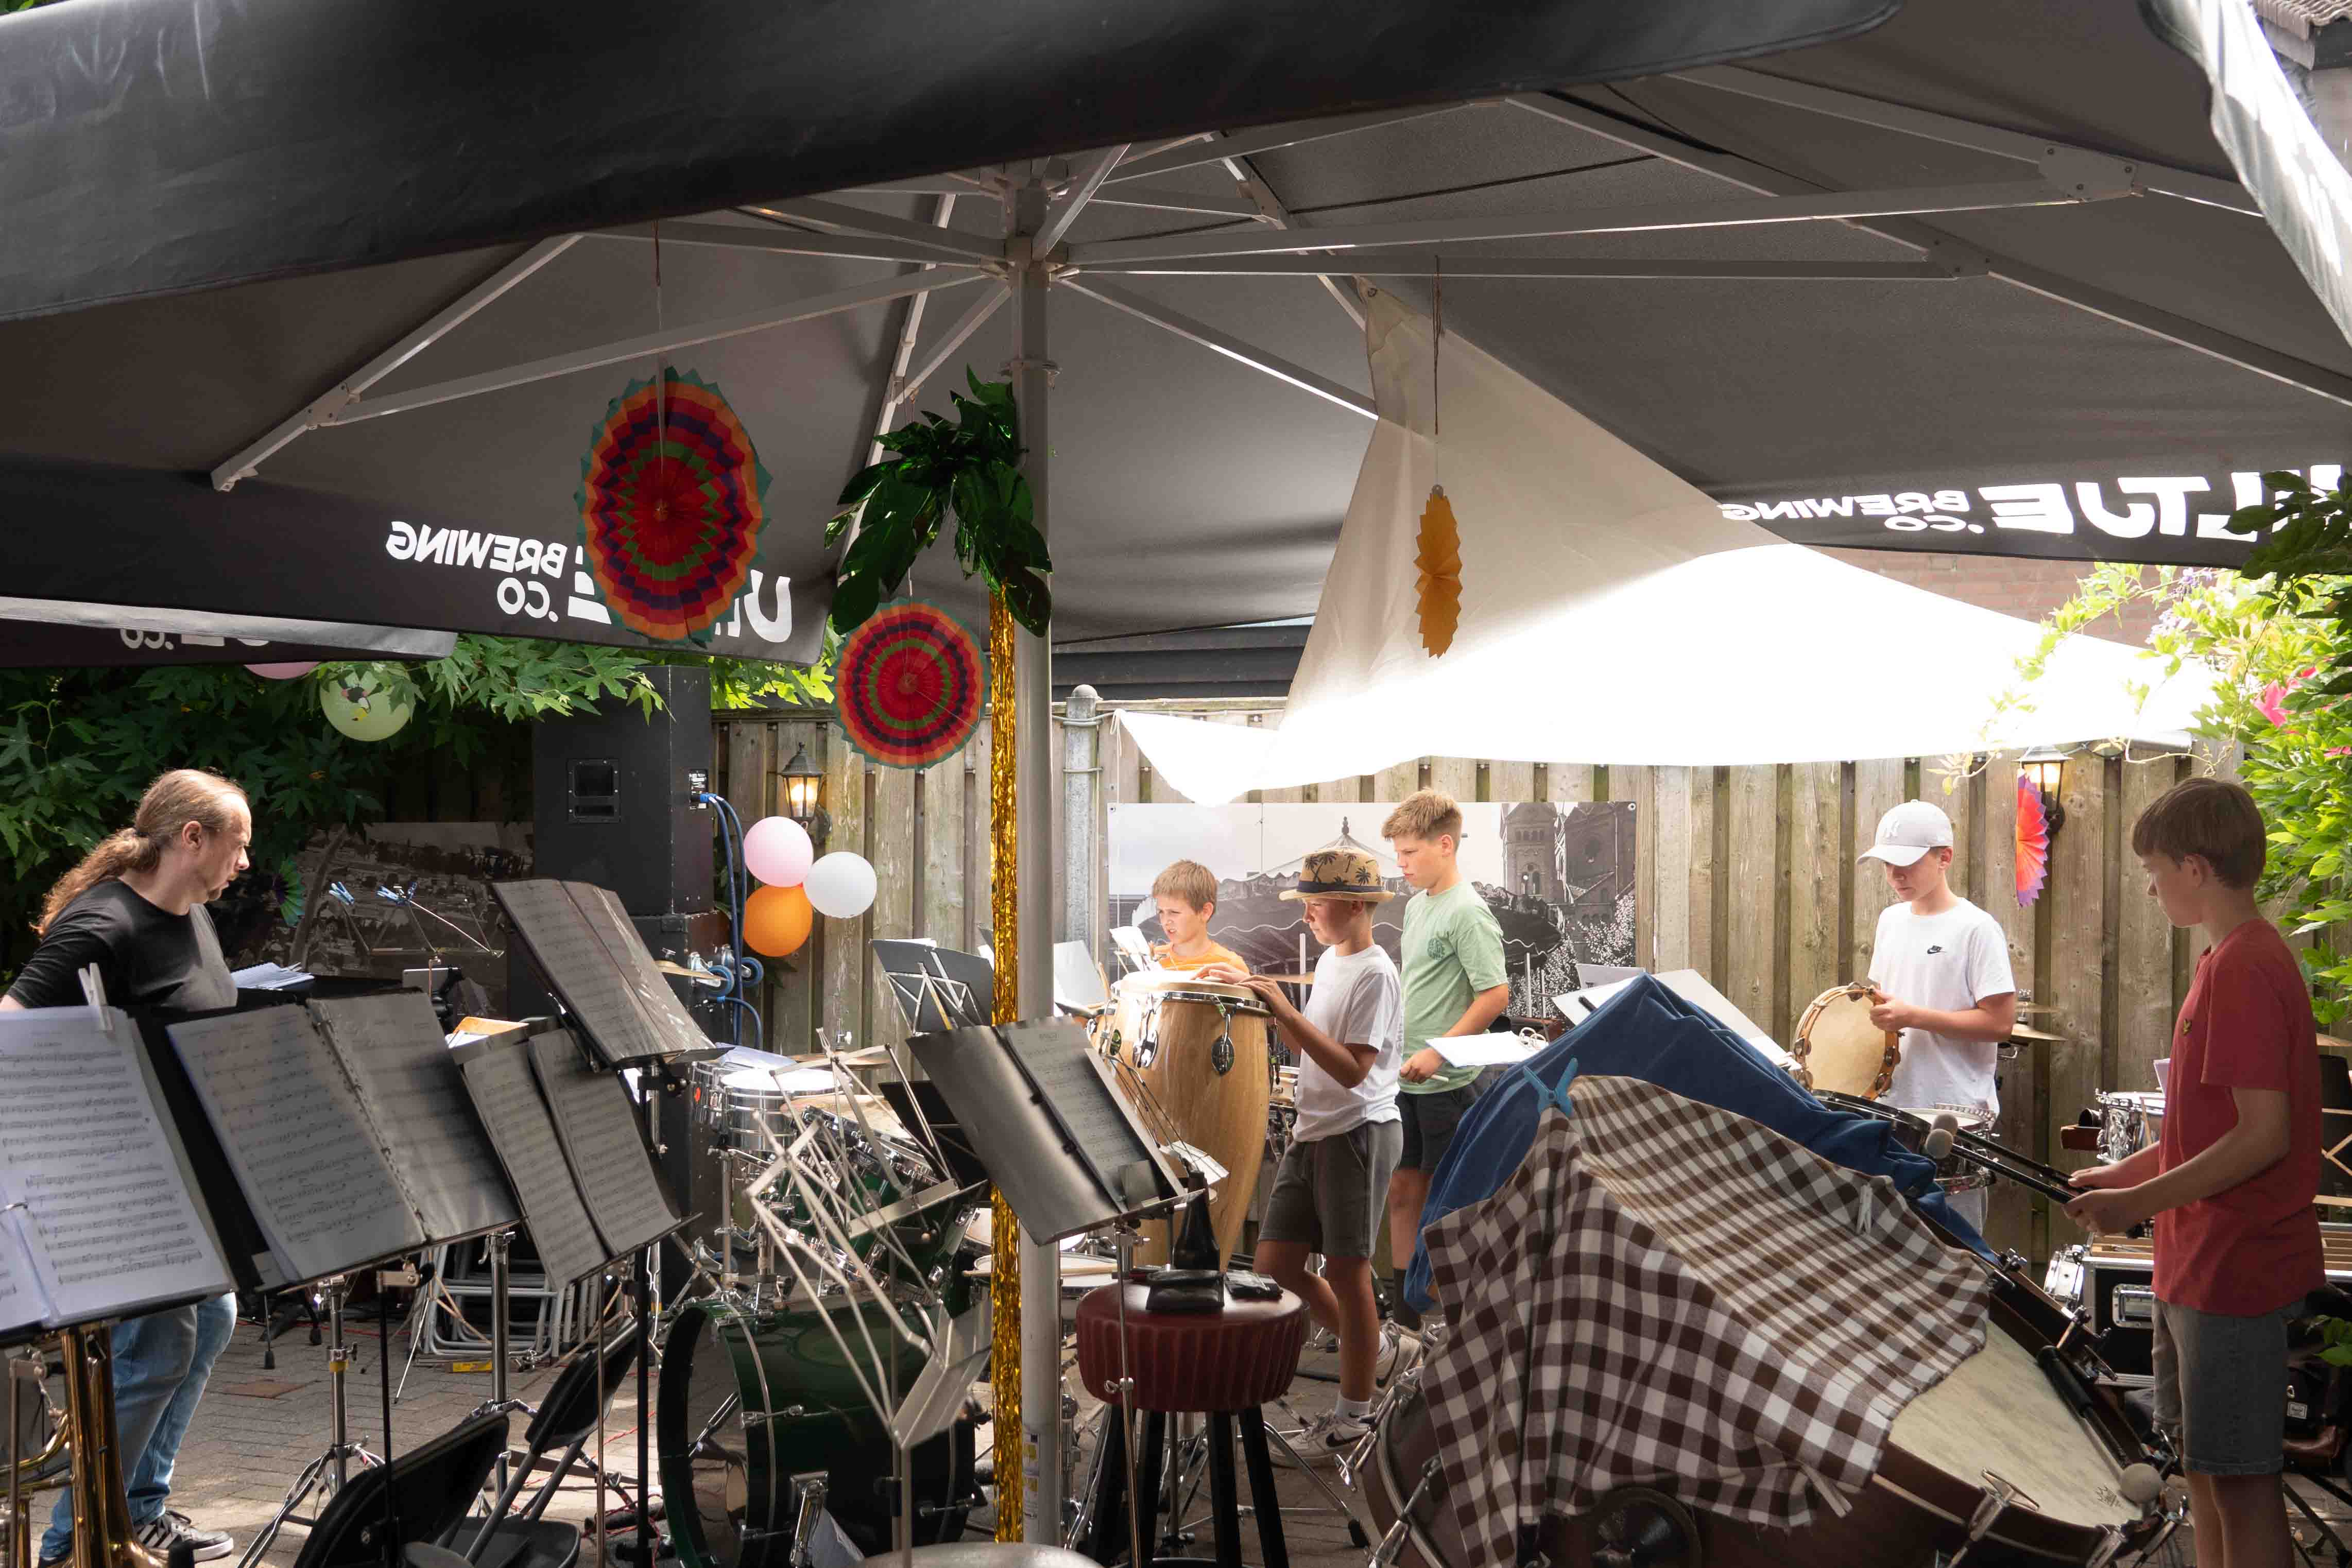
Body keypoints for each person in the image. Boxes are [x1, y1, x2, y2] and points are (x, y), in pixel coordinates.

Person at [2067, 777, 2320, 1568]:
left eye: (2153, 871)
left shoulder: (2245, 966)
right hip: (2193, 1264)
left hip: (2234, 1269)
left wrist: (2137, 1199)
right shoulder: (2221, 960)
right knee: (2204, 1478)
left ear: (2194, 868)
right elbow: (2198, 1133)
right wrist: (2120, 1177)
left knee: (2241, 1485)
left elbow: (2262, 1137)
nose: (2149, 889)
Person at [4, 769, 252, 1566]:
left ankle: (137, 1509)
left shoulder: (191, 916)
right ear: (192, 838)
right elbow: (10, 1029)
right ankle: (71, 1542)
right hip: (120, 1174)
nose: (245, 862)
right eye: (238, 844)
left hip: (180, 1168)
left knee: (214, 1318)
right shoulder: (102, 925)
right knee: (161, 1346)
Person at [1200, 848, 1401, 1461]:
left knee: (1347, 1272)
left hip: (1357, 1132)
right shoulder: (1334, 960)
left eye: (1316, 904)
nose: (1305, 915)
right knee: (1276, 1265)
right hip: (1315, 1131)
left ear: (1357, 906)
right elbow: (1303, 1040)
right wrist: (1257, 1000)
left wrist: (1284, 1007)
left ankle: (1354, 1416)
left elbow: (1352, 1069)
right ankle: (1378, 1352)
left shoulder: (1375, 973)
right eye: (1304, 904)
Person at [1857, 799, 2018, 1235]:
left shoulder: (1976, 928)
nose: (1896, 875)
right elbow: (1884, 1001)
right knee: (1886, 1247)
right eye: (1887, 864)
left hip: (1952, 1113)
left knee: (1954, 1247)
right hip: (1889, 1108)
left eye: (1907, 863)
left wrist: (1914, 1015)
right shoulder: (1889, 920)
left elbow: (1999, 1023)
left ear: (1944, 857)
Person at [1382, 791, 1508, 1324]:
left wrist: (1439, 1051)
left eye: (1410, 853)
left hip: (1450, 1084)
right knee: (1401, 1192)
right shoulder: (1417, 905)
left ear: (1445, 845)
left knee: (1444, 1209)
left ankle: (1449, 1326)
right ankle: (1404, 1318)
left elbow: (1495, 995)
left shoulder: (1469, 912)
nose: (1401, 863)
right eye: (1398, 853)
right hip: (1406, 1080)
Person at [1148, 859, 1248, 973]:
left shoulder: (1230, 965)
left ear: (1205, 912)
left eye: (1174, 912)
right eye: (1161, 912)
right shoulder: (1152, 960)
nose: (1165, 921)